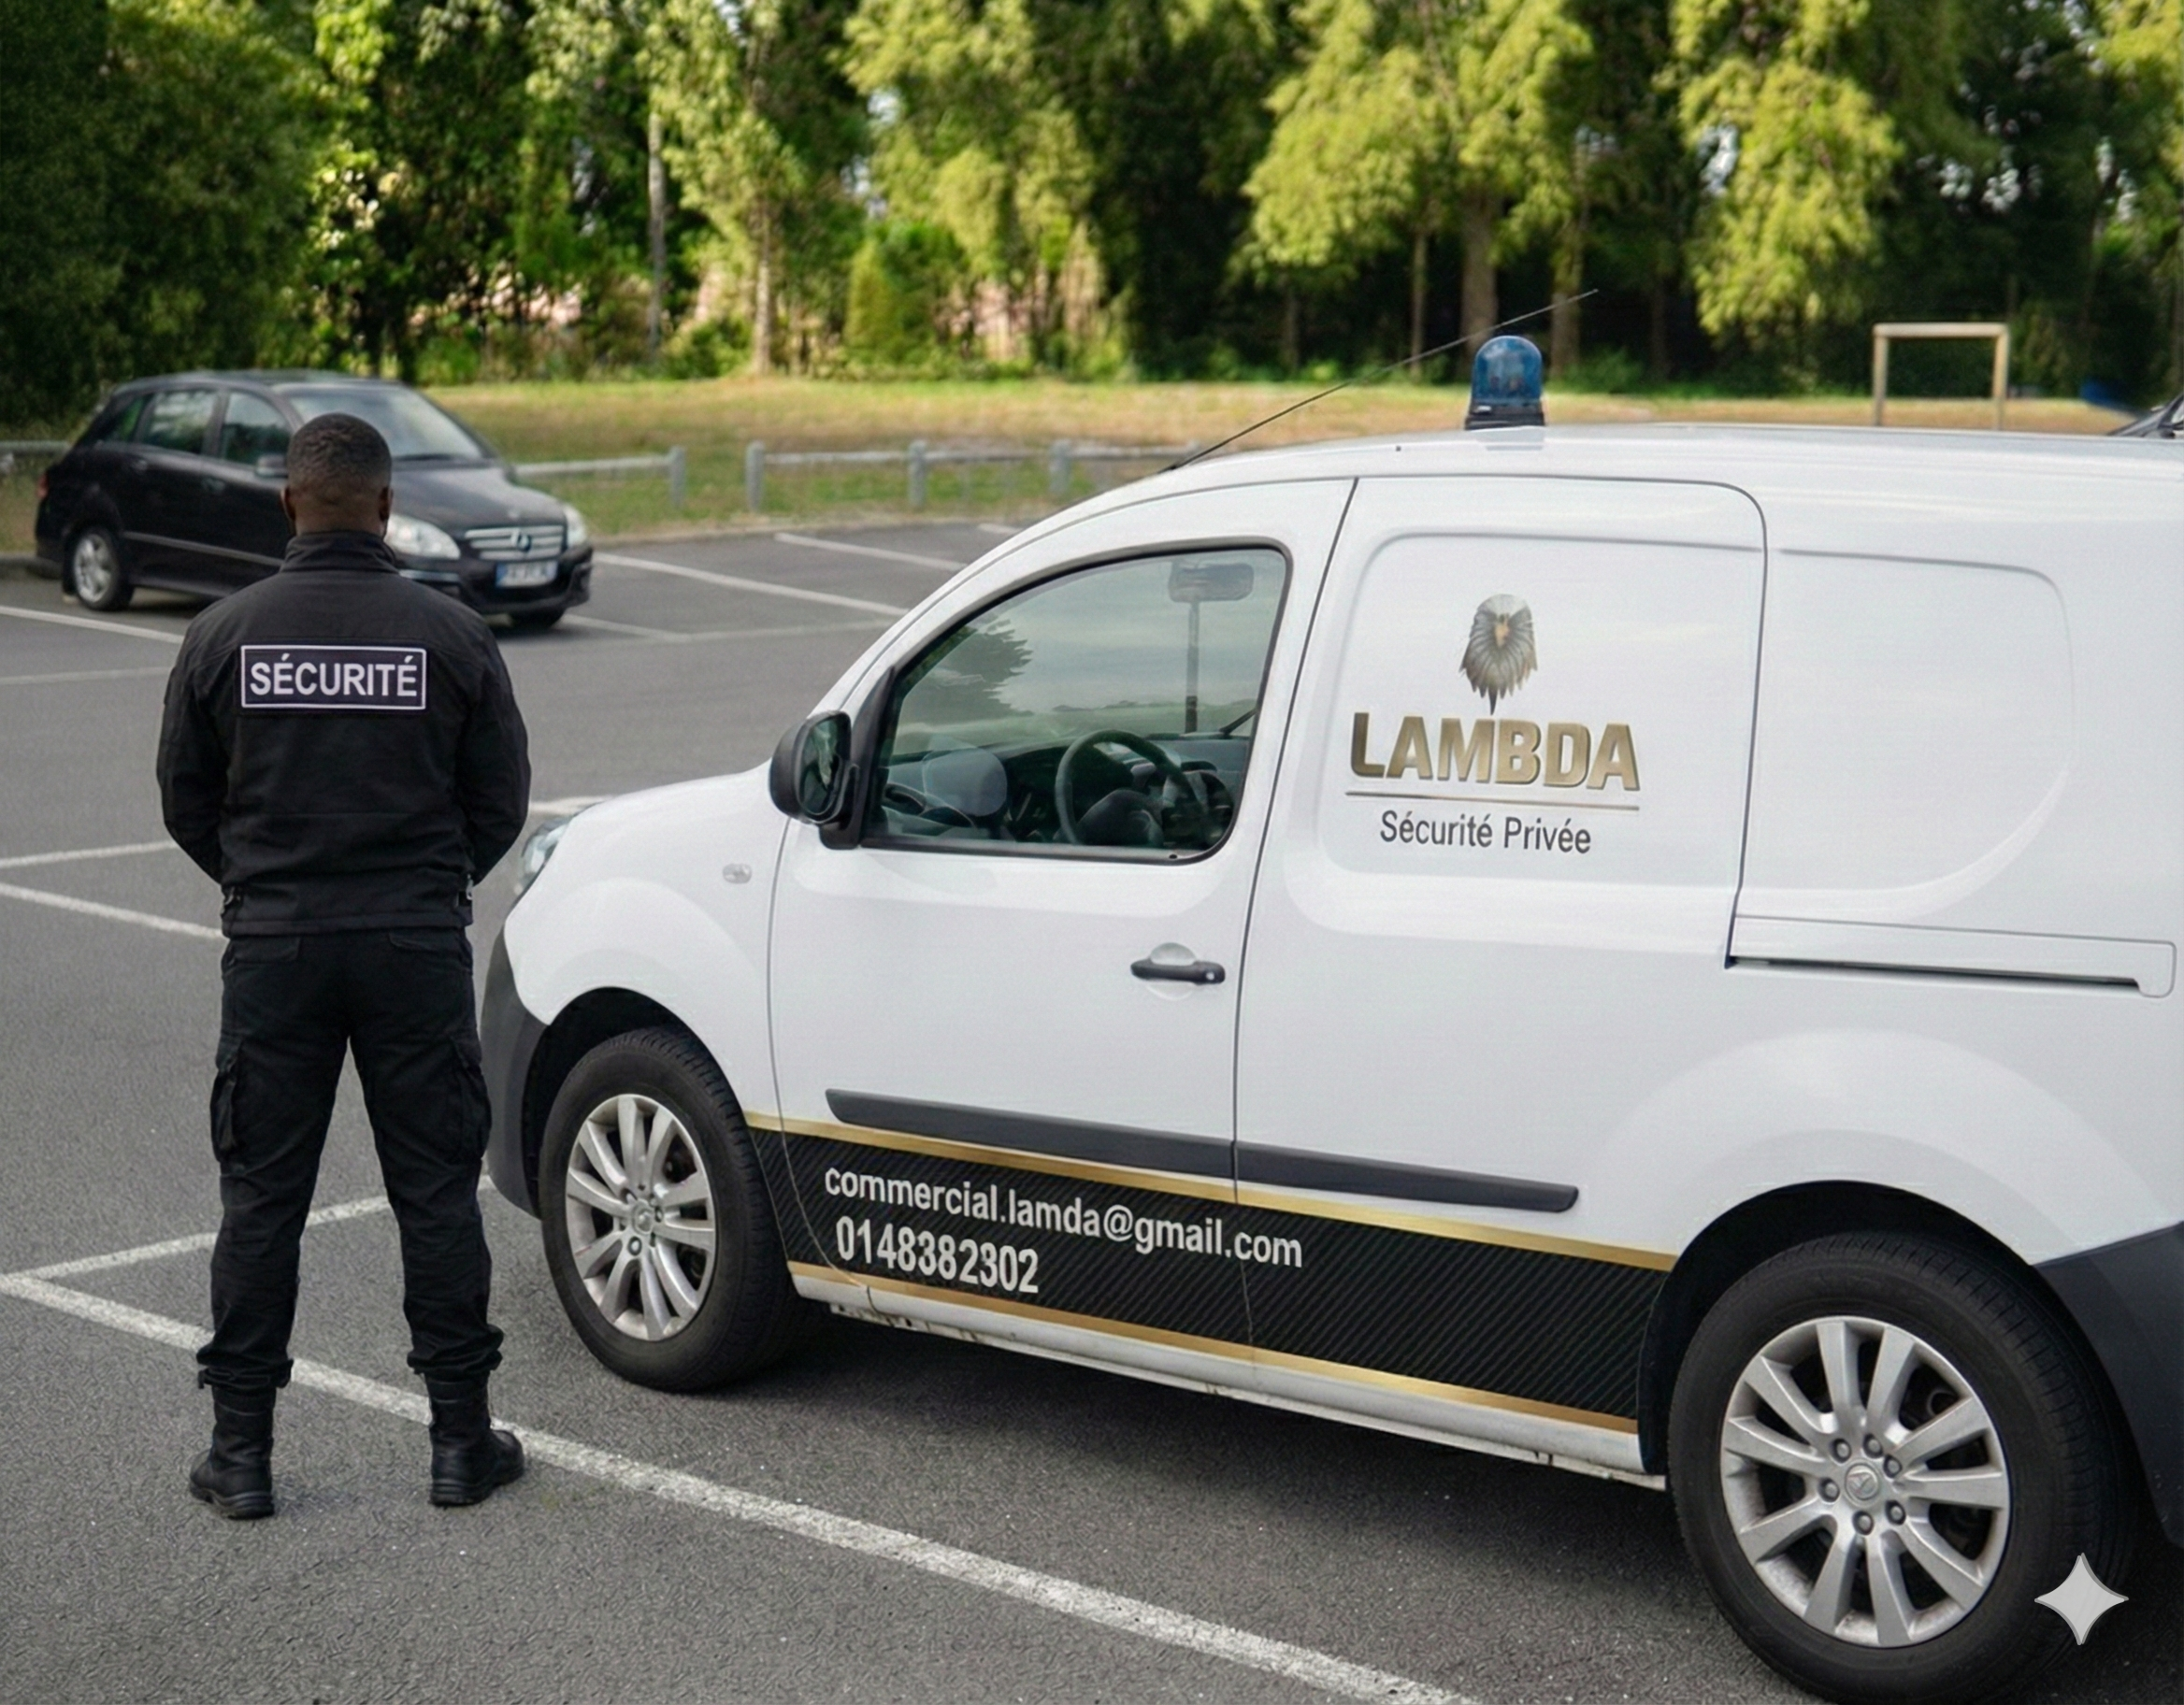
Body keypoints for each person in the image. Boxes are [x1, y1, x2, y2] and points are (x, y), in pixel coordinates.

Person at [156, 412, 532, 1518]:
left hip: (275, 950)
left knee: (261, 1200)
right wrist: (419, 884)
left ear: (287, 504)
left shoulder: (223, 635)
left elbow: (186, 803)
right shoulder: (451, 635)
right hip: (413, 947)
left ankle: (241, 1457)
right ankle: (461, 1445)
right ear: (385, 505)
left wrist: (266, 884)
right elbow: (497, 803)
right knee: (433, 1195)